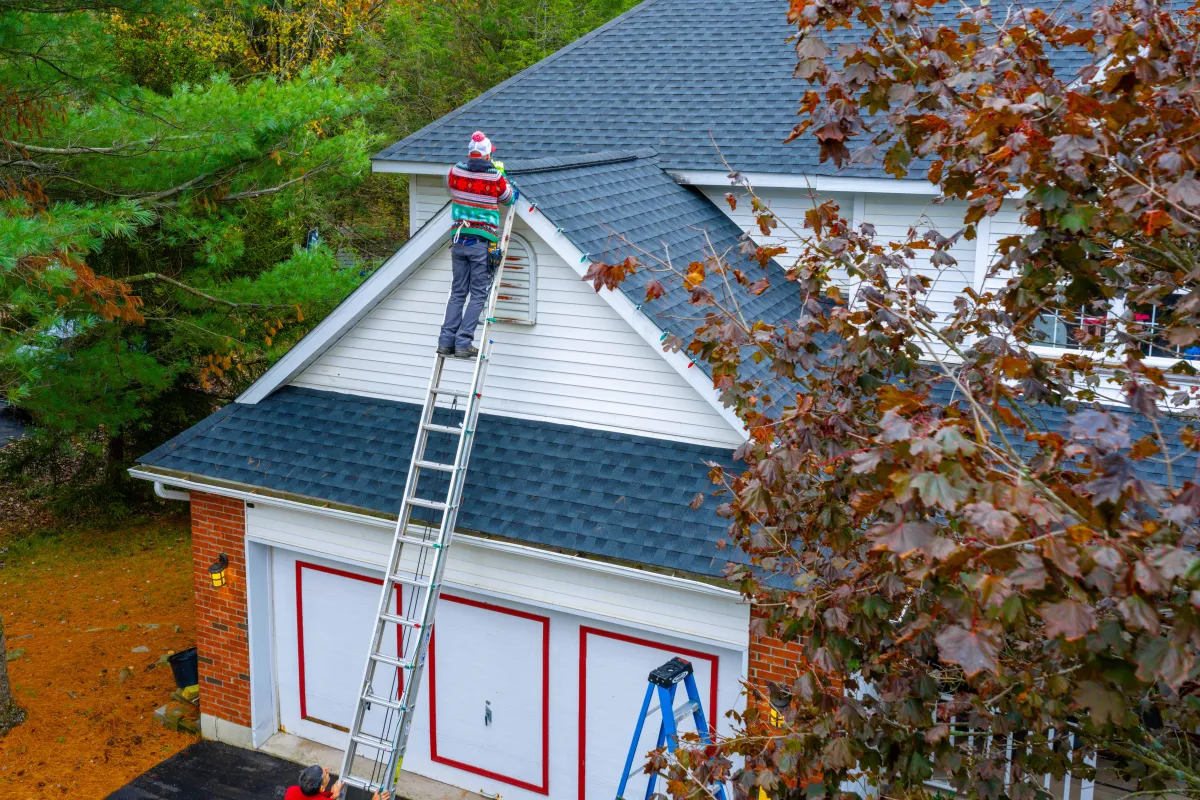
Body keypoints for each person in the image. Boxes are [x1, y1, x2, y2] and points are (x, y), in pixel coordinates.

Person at [438, 130, 517, 359]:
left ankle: (446, 341)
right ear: (485, 155)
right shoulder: (494, 177)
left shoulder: (454, 171)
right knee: (478, 294)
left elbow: (450, 186)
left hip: (458, 240)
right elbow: (509, 198)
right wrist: (502, 174)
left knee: (458, 293)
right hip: (480, 243)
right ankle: (463, 343)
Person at [284, 764, 392, 800]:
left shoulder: (291, 791)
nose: (326, 769)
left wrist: (332, 795)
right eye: (325, 774)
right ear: (321, 788)